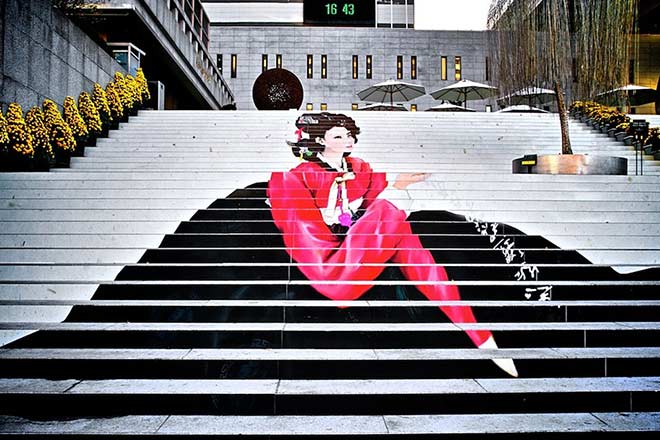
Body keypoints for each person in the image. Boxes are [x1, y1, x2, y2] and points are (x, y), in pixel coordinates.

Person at [267, 112, 517, 377]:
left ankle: (478, 333)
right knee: (390, 226)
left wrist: (393, 189)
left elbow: (375, 200)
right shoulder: (295, 178)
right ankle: (477, 334)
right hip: (327, 257)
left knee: (407, 240)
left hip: (355, 240)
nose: (348, 140)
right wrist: (393, 194)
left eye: (349, 135)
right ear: (320, 139)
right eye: (338, 136)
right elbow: (310, 239)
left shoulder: (361, 169)